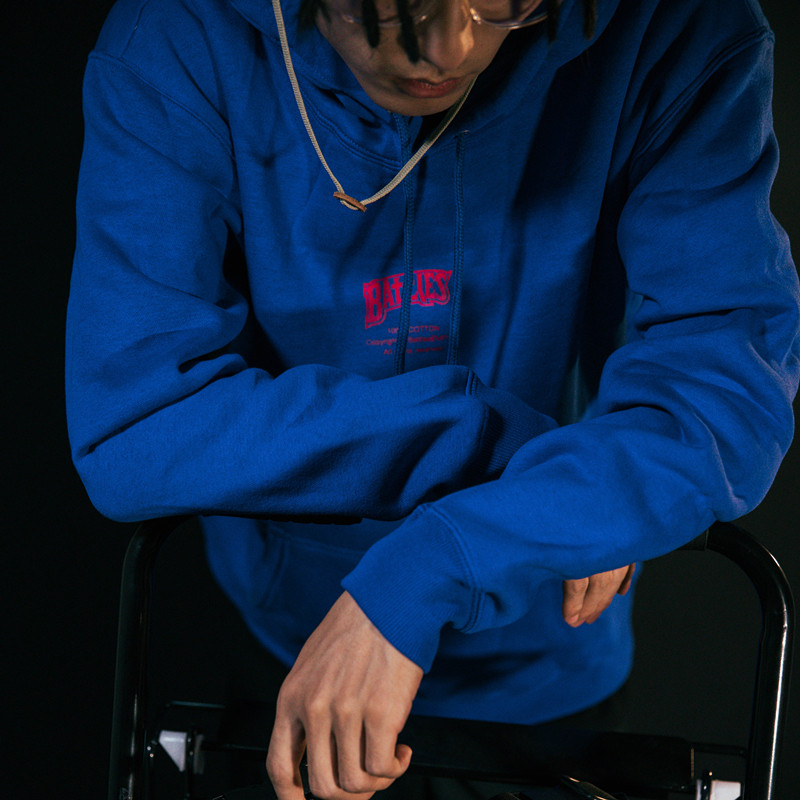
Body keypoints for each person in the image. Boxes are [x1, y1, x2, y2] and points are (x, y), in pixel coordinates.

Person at [66, 0, 799, 797]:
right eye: (393, 6)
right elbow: (136, 418)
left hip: (551, 662)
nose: (447, 49)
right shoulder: (175, 34)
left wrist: (430, 568)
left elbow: (721, 394)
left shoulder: (680, 26)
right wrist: (508, 449)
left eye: (505, 3)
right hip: (290, 642)